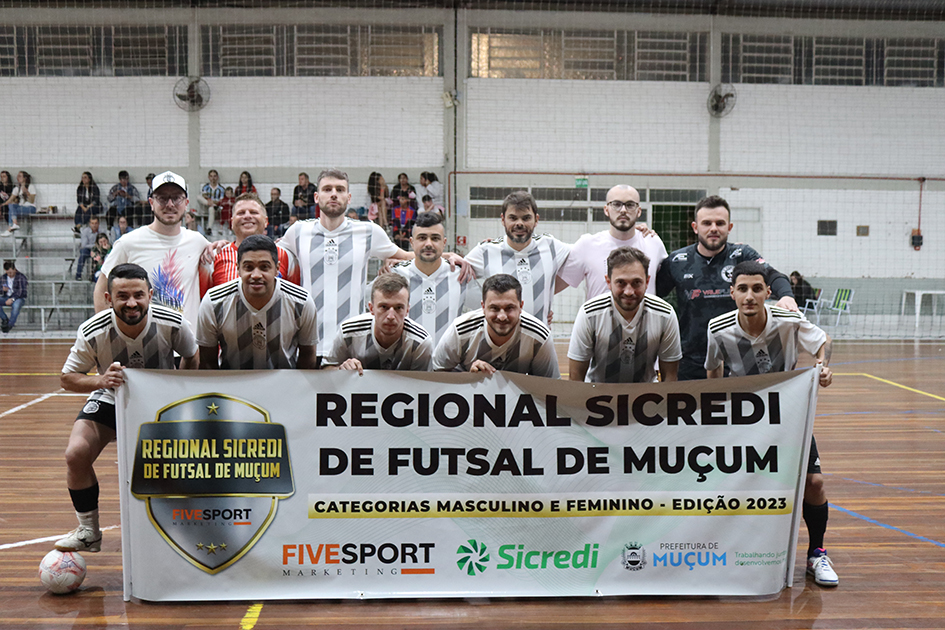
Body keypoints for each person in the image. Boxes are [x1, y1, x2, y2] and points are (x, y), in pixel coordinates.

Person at [705, 260, 838, 588]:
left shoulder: (788, 320)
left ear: (767, 292)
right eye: (742, 289)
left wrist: (822, 366)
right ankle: (733, 554)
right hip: (742, 419)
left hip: (788, 414)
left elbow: (824, 341)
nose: (749, 296)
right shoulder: (718, 328)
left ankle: (817, 553)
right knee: (738, 487)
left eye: (756, 289)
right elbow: (713, 371)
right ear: (732, 293)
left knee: (815, 483)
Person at [55, 263, 198, 554]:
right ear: (109, 298)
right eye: (122, 296)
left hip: (163, 404)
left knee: (180, 468)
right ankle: (88, 531)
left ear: (150, 295)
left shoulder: (173, 323)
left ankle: (182, 531)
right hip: (111, 397)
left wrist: (177, 389)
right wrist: (101, 380)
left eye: (138, 295)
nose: (131, 303)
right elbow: (67, 378)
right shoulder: (93, 330)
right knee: (76, 453)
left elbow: (192, 357)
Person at [279, 168, 413, 364]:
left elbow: (408, 256)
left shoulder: (368, 231)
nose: (334, 194)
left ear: (349, 197)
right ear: (316, 197)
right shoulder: (298, 231)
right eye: (327, 189)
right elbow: (264, 254)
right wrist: (222, 245)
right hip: (308, 346)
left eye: (340, 189)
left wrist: (449, 256)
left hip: (353, 347)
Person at [656, 195, 796, 381]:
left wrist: (786, 296)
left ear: (729, 228)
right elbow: (652, 293)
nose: (714, 228)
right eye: (707, 223)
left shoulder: (742, 254)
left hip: (738, 360)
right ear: (695, 227)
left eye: (720, 223)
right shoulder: (677, 261)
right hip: (690, 360)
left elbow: (773, 275)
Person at [94, 170, 211, 327]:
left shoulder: (198, 242)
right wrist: (106, 334)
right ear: (151, 203)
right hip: (143, 347)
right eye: (162, 198)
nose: (170, 204)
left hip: (187, 347)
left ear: (186, 203)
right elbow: (102, 289)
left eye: (177, 198)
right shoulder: (128, 243)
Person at [197, 235, 317, 370]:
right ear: (238, 269)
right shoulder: (214, 302)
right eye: (248, 267)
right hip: (230, 386)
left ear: (277, 268)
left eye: (264, 267)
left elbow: (308, 356)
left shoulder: (301, 302)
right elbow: (207, 361)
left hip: (285, 386)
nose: (256, 275)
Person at [568, 247, 681, 383]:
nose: (628, 291)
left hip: (647, 397)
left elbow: (670, 377)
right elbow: (575, 378)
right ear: (608, 282)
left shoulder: (665, 315)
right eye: (621, 283)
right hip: (597, 396)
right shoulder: (590, 314)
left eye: (636, 283)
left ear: (647, 282)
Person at [463, 191, 571, 324]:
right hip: (497, 341)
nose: (519, 223)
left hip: (539, 340)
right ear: (503, 220)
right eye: (513, 218)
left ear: (536, 220)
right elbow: (449, 270)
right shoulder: (485, 251)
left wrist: (544, 296)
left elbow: (586, 255)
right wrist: (447, 255)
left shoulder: (551, 246)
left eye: (526, 218)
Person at [432, 273, 559, 378]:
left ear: (521, 306)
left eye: (509, 308)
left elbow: (551, 387)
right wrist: (468, 379)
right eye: (494, 308)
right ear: (483, 307)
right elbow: (434, 374)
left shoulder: (538, 336)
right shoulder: (461, 330)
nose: (502, 316)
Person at [558, 185, 667, 300]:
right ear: (606, 210)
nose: (623, 210)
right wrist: (544, 309)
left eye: (630, 205)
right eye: (616, 204)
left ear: (639, 211)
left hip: (644, 318)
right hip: (599, 318)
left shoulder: (653, 243)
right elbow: (552, 287)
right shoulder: (587, 245)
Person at [390, 212, 477, 345]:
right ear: (412, 243)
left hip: (449, 363)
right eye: (422, 238)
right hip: (406, 364)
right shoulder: (395, 274)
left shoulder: (461, 275)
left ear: (444, 243)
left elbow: (485, 310)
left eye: (435, 238)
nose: (428, 244)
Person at [325, 272, 432, 373]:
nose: (391, 316)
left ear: (407, 310)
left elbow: (423, 385)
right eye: (384, 307)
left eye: (398, 308)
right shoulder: (348, 333)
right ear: (371, 308)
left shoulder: (420, 342)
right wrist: (341, 369)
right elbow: (325, 371)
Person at [209, 193, 300, 288]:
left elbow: (294, 299)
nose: (247, 216)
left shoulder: (286, 255)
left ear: (266, 221)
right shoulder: (215, 255)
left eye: (253, 212)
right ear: (231, 222)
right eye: (241, 213)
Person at [4, 170, 37, 234]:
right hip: (21, 207)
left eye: (20, 176)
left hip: (30, 208)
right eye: (17, 176)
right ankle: (14, 224)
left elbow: (32, 200)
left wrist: (26, 192)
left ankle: (10, 227)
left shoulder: (31, 186)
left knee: (11, 211)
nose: (17, 178)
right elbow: (10, 200)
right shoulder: (17, 188)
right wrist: (2, 205)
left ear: (25, 178)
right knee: (11, 205)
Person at [76, 216, 106, 281]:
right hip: (87, 249)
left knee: (101, 255)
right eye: (92, 223)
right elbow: (84, 245)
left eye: (96, 223)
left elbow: (105, 242)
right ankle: (78, 275)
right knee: (83, 254)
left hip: (99, 249)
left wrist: (98, 247)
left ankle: (96, 275)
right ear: (90, 224)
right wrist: (95, 246)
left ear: (98, 224)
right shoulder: (85, 231)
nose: (94, 225)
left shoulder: (102, 231)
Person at [1, 260, 27, 333]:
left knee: (16, 306)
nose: (9, 274)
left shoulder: (21, 277)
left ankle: (10, 325)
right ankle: (5, 319)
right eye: (7, 272)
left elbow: (22, 292)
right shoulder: (3, 277)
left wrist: (12, 299)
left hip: (18, 298)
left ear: (14, 269)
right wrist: (2, 290)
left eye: (11, 272)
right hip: (6, 296)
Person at [197, 169, 225, 235]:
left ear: (217, 177)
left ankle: (209, 228)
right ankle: (210, 204)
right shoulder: (206, 187)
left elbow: (221, 200)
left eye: (214, 176)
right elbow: (204, 196)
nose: (213, 178)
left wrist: (213, 202)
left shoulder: (221, 188)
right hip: (206, 205)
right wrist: (210, 202)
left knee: (211, 209)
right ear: (209, 177)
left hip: (216, 207)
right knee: (198, 197)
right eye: (211, 176)